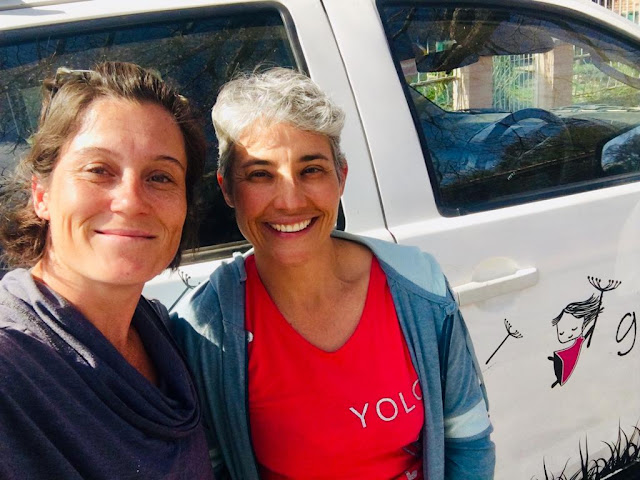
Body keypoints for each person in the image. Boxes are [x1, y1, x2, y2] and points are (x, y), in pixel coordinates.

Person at [170, 67, 494, 480]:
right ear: (227, 189)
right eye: (260, 174)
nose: (289, 201)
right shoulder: (203, 328)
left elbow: (468, 441)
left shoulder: (418, 287)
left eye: (311, 170)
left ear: (341, 177)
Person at [0, 61, 214, 479]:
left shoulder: (160, 332)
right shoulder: (13, 363)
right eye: (98, 170)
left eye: (160, 177)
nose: (131, 201)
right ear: (41, 195)